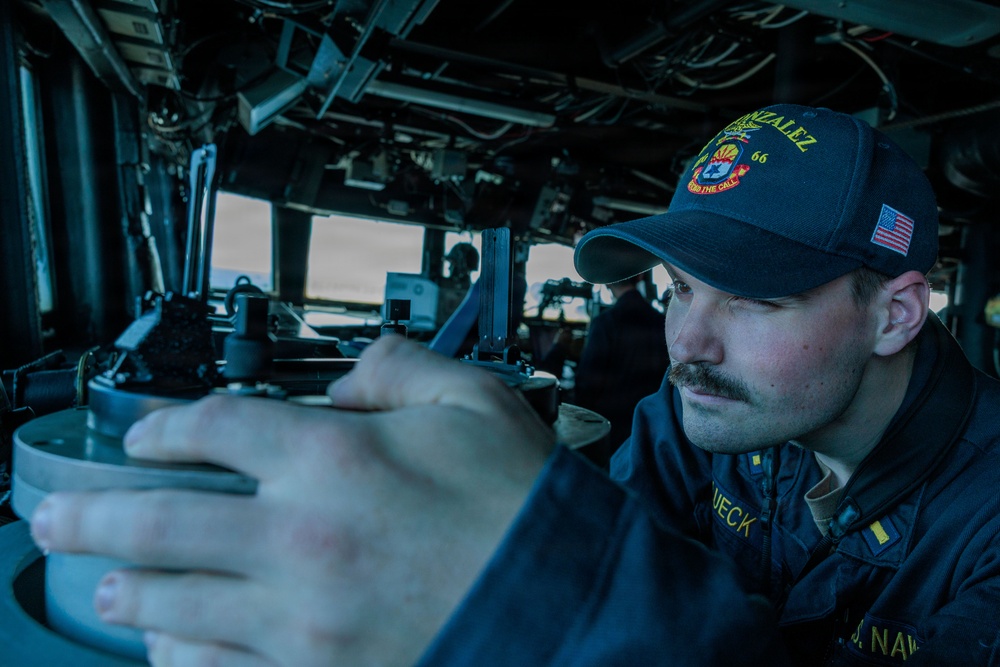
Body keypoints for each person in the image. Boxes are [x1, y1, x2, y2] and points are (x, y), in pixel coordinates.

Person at [27, 103, 1000, 666]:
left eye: (752, 300)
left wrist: (543, 609)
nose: (685, 343)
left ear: (895, 314)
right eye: (675, 290)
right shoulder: (688, 418)